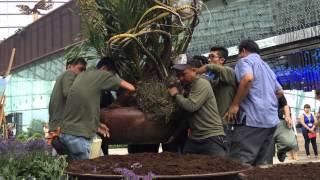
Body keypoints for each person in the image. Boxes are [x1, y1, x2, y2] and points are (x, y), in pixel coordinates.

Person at [59, 57, 135, 160]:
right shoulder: (102, 75)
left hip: (68, 135)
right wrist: (117, 103)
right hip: (79, 137)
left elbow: (82, 106)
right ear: (104, 69)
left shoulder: (83, 75)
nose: (111, 77)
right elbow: (131, 88)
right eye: (111, 74)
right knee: (93, 173)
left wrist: (97, 124)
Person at [224, 40, 283, 166]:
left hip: (252, 120)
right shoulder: (266, 67)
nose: (238, 56)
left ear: (244, 51)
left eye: (239, 53)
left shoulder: (244, 61)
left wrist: (235, 104)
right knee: (262, 166)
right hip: (271, 121)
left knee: (239, 164)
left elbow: (247, 78)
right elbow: (279, 92)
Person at [168, 58, 226, 156]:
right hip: (195, 138)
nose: (181, 78)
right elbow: (186, 116)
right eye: (178, 75)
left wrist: (175, 95)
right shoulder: (188, 87)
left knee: (217, 167)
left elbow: (191, 106)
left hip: (211, 137)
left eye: (184, 74)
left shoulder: (201, 83)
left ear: (194, 70)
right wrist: (173, 135)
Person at [195, 46, 237, 153]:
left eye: (212, 56)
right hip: (214, 126)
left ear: (222, 60)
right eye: (208, 57)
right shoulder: (214, 78)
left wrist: (204, 68)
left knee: (224, 155)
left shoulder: (229, 71)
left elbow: (214, 68)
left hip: (225, 124)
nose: (209, 59)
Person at [48, 57, 87, 147]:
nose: (82, 73)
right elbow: (68, 93)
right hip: (63, 127)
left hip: (57, 126)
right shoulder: (69, 74)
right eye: (80, 69)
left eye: (84, 70)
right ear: (70, 67)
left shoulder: (61, 78)